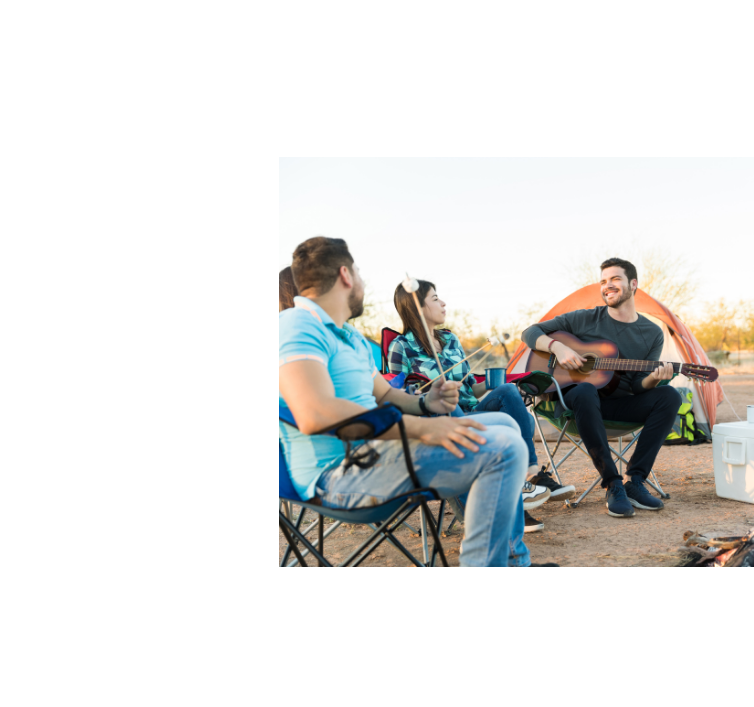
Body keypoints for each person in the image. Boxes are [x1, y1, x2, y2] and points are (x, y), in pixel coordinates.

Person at [280, 236, 545, 567]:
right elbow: (314, 413)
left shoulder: (349, 336)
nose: (362, 281)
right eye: (359, 272)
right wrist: (424, 429)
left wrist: (427, 403)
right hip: (339, 474)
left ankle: (510, 558)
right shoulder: (296, 323)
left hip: (374, 454)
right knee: (505, 449)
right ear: (346, 275)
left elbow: (387, 394)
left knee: (505, 424)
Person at [388, 279, 576, 533]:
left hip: (470, 410)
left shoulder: (450, 339)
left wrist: (491, 384)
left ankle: (529, 474)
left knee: (508, 390)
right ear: (417, 308)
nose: (443, 303)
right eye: (435, 298)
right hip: (439, 419)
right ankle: (513, 503)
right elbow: (399, 393)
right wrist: (430, 392)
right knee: (448, 402)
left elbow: (469, 387)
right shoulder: (401, 347)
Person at [521, 257, 681, 518]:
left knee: (669, 396)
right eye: (603, 281)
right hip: (576, 404)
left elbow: (639, 388)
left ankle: (635, 482)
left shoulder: (652, 332)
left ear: (633, 284)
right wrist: (558, 347)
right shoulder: (585, 319)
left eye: (615, 279)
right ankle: (612, 483)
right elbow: (530, 332)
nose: (608, 285)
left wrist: (653, 379)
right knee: (585, 390)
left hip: (618, 405)